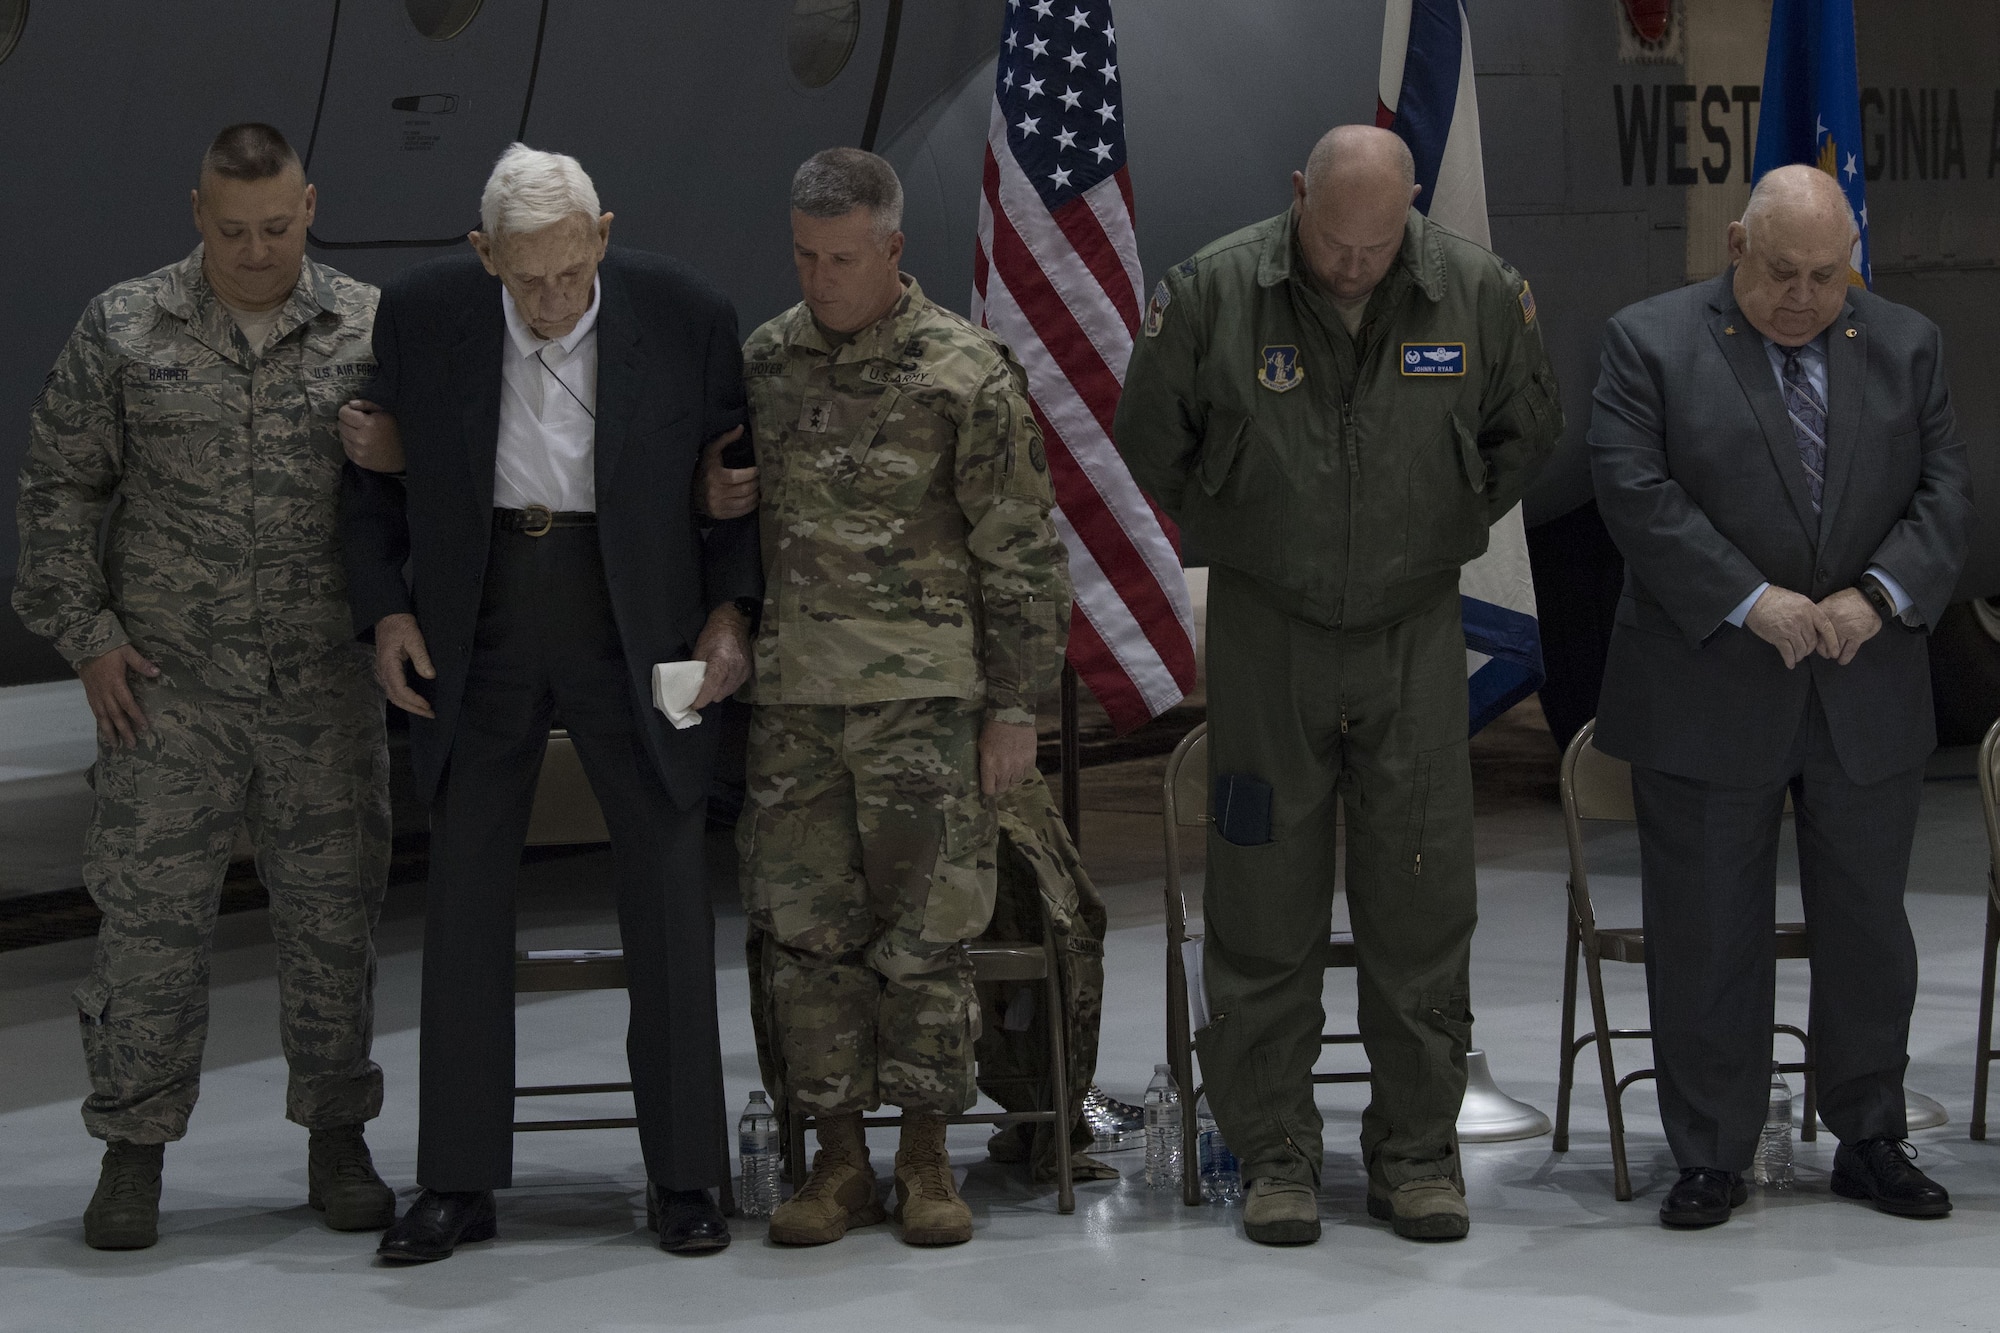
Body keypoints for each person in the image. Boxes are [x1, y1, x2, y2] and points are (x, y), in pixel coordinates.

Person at [1114, 125, 1561, 1246]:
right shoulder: (1215, 293)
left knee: (1421, 904)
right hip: (1270, 634)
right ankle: (1273, 1155)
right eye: (1333, 238)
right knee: (1262, 902)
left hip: (1414, 631)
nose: (1354, 264)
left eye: (1378, 243)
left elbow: (1524, 433)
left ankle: (1416, 1154)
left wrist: (1440, 520)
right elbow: (1147, 434)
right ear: (1297, 194)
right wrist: (1240, 513)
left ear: (1408, 213)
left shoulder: (1474, 293)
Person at [337, 144, 760, 1261]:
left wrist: (731, 613)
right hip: (482, 615)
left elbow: (739, 486)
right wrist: (387, 614)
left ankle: (684, 1177)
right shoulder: (425, 315)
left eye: (571, 272)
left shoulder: (686, 313)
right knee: (466, 884)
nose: (552, 298)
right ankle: (458, 1180)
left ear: (603, 237)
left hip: (638, 614)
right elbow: (366, 487)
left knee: (669, 878)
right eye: (526, 278)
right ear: (485, 256)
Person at [12, 123, 394, 1251]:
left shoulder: (367, 330)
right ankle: (132, 1152)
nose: (257, 249)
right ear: (196, 214)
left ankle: (338, 1137)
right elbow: (57, 488)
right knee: (147, 930)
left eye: (276, 227)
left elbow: (426, 492)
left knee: (333, 922)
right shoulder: (125, 327)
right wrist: (85, 636)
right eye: (233, 231)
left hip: (323, 684)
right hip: (168, 691)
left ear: (310, 205)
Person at [1588, 164, 1971, 1229]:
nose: (1801, 297)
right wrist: (1746, 598)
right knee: (1706, 927)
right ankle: (1711, 1151)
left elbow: (1944, 492)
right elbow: (1630, 488)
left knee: (1865, 929)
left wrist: (1878, 596)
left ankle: (1868, 1133)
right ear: (1730, 245)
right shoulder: (1647, 341)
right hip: (1706, 681)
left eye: (1825, 275)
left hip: (1863, 680)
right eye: (1780, 272)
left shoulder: (1905, 343)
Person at [737, 147, 1071, 1248]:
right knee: (808, 936)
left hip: (927, 708)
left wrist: (1014, 707)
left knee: (927, 937)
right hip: (796, 706)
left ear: (891, 248)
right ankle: (836, 1160)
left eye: (841, 257)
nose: (819, 277)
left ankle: (928, 1154)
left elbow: (1020, 552)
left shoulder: (962, 372)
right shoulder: (766, 363)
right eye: (802, 255)